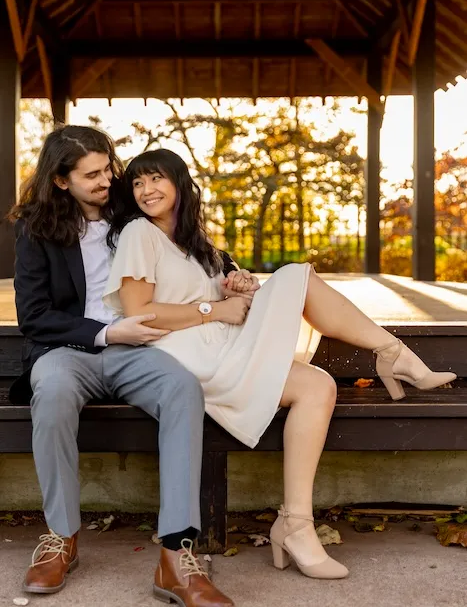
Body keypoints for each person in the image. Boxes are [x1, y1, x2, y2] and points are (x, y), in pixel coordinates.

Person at [104, 148, 457, 584]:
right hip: (188, 360)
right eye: (137, 183)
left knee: (318, 386)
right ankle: (394, 355)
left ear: (179, 182)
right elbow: (138, 313)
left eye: (155, 179)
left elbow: (225, 299)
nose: (145, 190)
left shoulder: (196, 244)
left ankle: (295, 524)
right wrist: (213, 309)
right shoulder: (140, 232)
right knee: (297, 276)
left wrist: (241, 286)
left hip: (222, 346)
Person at [10, 126, 235, 606]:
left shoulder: (130, 210)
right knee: (48, 392)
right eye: (92, 174)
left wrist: (232, 274)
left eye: (109, 168)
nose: (107, 179)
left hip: (141, 352)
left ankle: (175, 557)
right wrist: (109, 332)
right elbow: (34, 317)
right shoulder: (35, 228)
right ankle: (61, 539)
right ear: (60, 180)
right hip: (70, 352)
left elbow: (188, 239)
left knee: (182, 388)